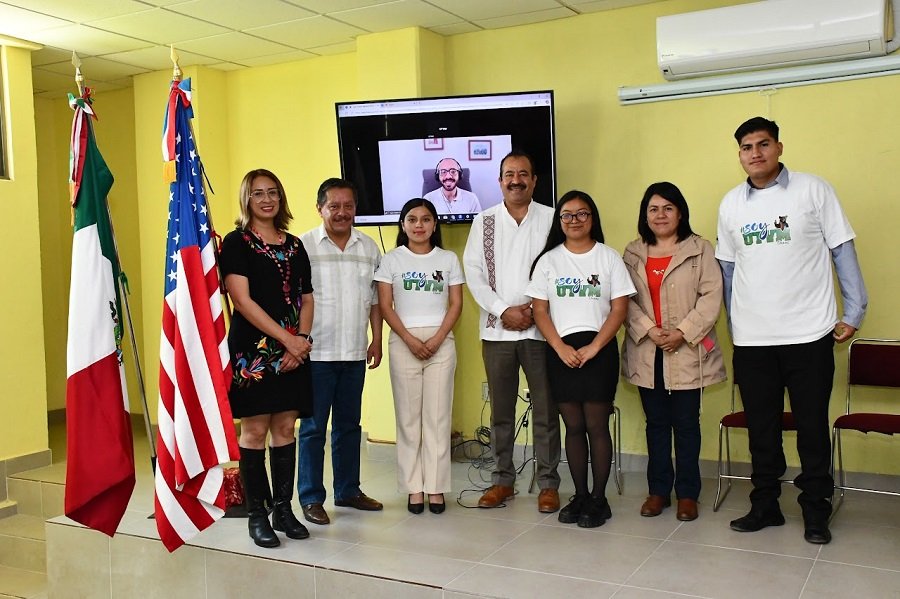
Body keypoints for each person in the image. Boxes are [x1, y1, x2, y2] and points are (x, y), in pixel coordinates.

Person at [716, 116, 867, 545]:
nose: (755, 153)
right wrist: (734, 326)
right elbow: (727, 273)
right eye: (746, 147)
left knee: (812, 427)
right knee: (761, 429)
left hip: (809, 334)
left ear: (779, 147)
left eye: (763, 144)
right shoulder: (731, 205)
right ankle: (765, 505)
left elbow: (842, 250)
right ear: (740, 155)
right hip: (753, 340)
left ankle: (816, 510)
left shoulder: (814, 190)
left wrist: (855, 311)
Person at [526, 190, 636, 527]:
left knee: (596, 425)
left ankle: (600, 499)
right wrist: (560, 347)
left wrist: (595, 347)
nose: (574, 220)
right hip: (561, 351)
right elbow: (539, 310)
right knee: (573, 426)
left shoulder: (608, 257)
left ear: (593, 218)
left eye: (582, 214)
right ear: (560, 222)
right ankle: (580, 495)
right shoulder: (549, 261)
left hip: (598, 351)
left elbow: (620, 308)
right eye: (567, 215)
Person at [463, 151, 562, 513]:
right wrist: (503, 310)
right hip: (497, 330)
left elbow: (560, 269)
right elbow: (473, 272)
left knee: (546, 411)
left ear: (534, 180)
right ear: (499, 180)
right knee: (501, 412)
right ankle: (502, 480)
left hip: (541, 331)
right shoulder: (483, 221)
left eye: (523, 173)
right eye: (509, 174)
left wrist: (534, 311)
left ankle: (548, 483)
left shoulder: (552, 219)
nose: (516, 179)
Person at [220, 169, 314, 547]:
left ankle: (283, 510)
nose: (266, 199)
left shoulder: (294, 244)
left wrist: (301, 339)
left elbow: (306, 298)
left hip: (294, 351)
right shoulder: (237, 242)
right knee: (255, 432)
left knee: (285, 430)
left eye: (273, 192)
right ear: (247, 200)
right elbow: (241, 301)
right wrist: (288, 341)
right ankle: (257, 515)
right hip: (253, 353)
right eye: (257, 193)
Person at [622, 182, 726, 522]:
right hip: (647, 350)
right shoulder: (633, 252)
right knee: (656, 424)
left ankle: (687, 494)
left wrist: (682, 332)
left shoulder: (699, 249)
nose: (661, 215)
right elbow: (625, 300)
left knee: (685, 424)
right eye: (653, 209)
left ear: (680, 212)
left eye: (668, 208)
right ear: (645, 215)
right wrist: (650, 331)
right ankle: (658, 492)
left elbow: (712, 296)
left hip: (688, 350)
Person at [297, 178, 384, 525]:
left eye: (348, 206)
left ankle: (348, 490)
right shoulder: (303, 245)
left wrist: (376, 339)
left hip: (353, 353)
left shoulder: (369, 247)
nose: (342, 213)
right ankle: (310, 497)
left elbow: (376, 301)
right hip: (315, 354)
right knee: (314, 428)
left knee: (349, 426)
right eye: (334, 206)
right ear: (320, 208)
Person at [375, 199, 464, 514]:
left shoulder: (449, 259)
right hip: (403, 342)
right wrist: (410, 340)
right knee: (409, 420)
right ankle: (414, 489)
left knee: (438, 419)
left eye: (426, 219)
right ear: (403, 224)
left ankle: (436, 488)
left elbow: (455, 304)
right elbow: (386, 306)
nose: (419, 225)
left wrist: (437, 338)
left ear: (434, 225)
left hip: (442, 343)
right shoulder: (391, 260)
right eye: (411, 219)